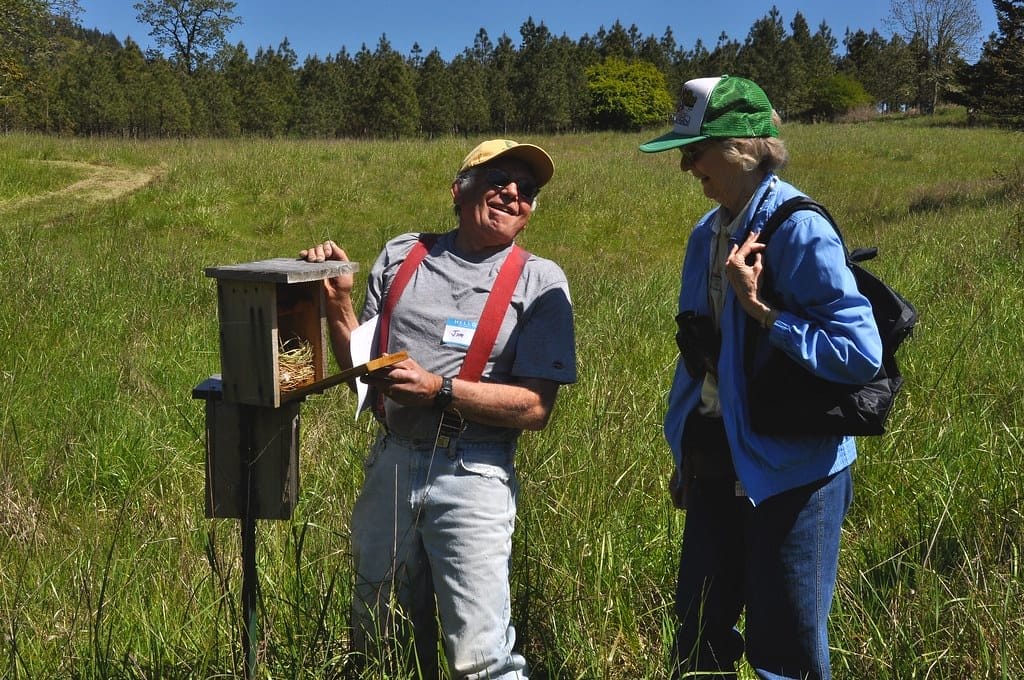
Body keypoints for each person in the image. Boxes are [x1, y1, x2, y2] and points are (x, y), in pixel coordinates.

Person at [300, 139, 577, 680]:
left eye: (528, 189)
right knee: (378, 635)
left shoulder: (539, 281)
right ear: (459, 189)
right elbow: (362, 361)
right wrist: (337, 302)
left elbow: (536, 406)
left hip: (474, 471)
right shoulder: (403, 256)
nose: (513, 193)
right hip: (392, 463)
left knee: (481, 656)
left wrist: (440, 390)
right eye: (499, 178)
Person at [639, 75, 882, 679]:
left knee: (787, 650)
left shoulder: (799, 228)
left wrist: (766, 314)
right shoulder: (706, 232)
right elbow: (697, 353)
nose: (685, 167)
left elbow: (858, 351)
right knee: (699, 638)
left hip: (795, 473)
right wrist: (684, 456)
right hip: (718, 459)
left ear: (742, 148)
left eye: (694, 152)